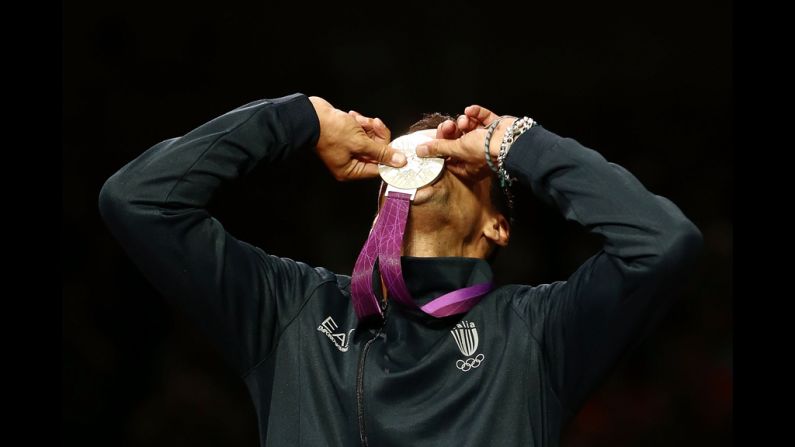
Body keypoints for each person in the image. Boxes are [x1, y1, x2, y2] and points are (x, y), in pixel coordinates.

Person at [98, 93, 703, 447]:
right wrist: (300, 119)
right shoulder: (289, 312)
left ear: (498, 225)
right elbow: (138, 201)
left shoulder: (539, 334)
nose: (432, 150)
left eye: (455, 153)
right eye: (417, 149)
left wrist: (514, 143)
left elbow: (661, 243)